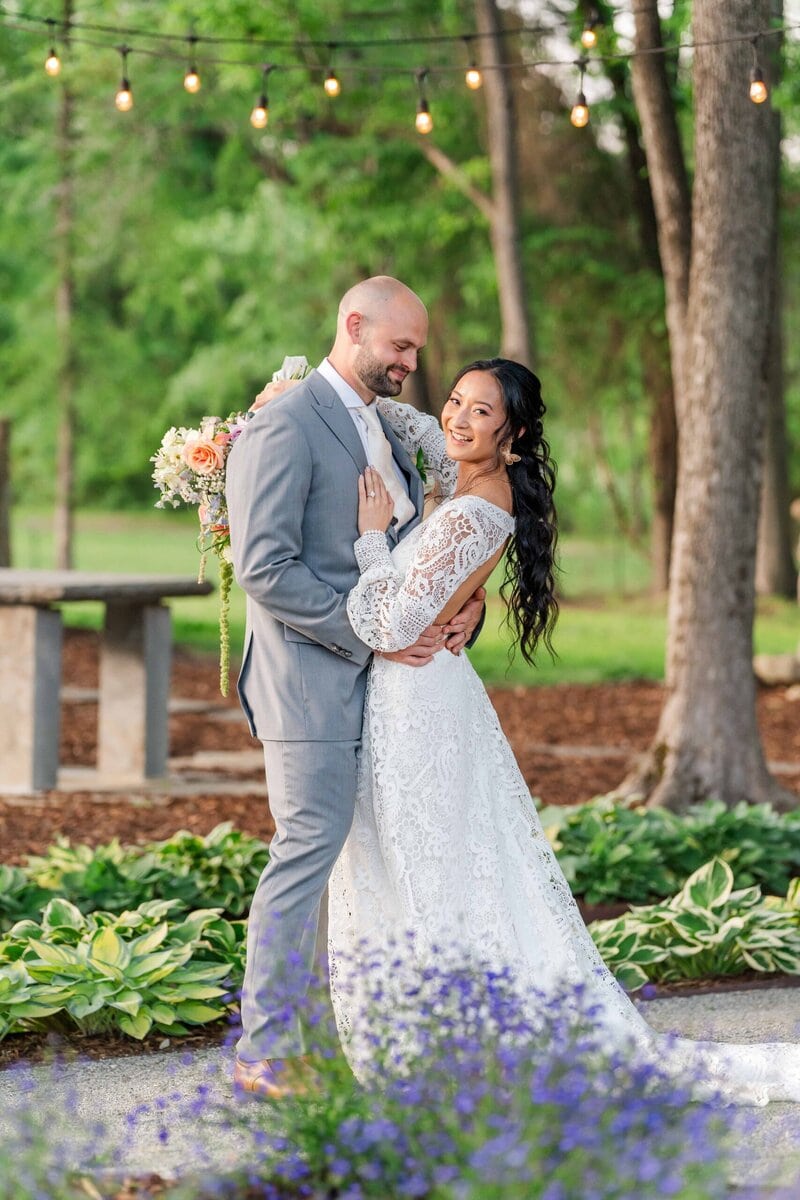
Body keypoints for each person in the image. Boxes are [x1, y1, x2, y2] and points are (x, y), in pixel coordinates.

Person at [327, 356, 800, 1106]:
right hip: (418, 701)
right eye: (455, 400)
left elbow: (392, 623)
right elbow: (409, 422)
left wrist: (371, 537)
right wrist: (310, 385)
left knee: (434, 869)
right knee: (433, 865)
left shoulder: (477, 505)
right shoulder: (468, 479)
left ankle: (450, 1043)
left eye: (481, 412)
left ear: (511, 433)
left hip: (418, 706)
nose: (457, 418)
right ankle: (426, 1034)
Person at [224, 277, 485, 1099]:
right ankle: (265, 1052)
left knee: (347, 863)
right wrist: (371, 632)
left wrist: (456, 609)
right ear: (354, 326)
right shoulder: (285, 424)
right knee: (304, 854)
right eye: (400, 347)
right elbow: (263, 568)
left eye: (417, 349)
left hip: (378, 687)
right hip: (308, 684)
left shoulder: (380, 424)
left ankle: (326, 1039)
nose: (412, 362)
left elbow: (411, 551)